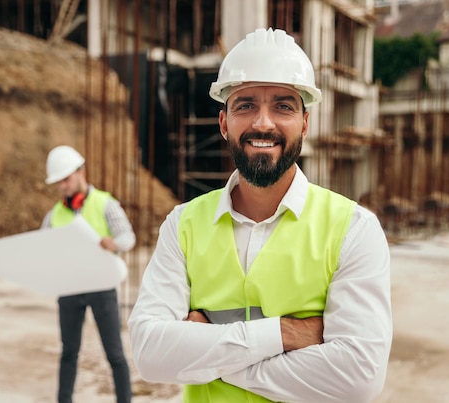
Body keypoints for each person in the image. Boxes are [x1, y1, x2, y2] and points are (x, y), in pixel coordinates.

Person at [128, 28, 392, 402]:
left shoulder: (353, 229)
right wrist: (284, 334)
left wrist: (208, 355)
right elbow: (150, 355)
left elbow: (358, 378)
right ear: (224, 123)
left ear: (304, 123)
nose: (263, 123)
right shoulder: (182, 224)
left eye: (283, 106)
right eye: (245, 105)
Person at [41, 145, 135, 403]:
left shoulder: (105, 203)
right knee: (68, 353)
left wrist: (114, 243)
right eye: (58, 182)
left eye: (66, 179)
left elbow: (128, 236)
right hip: (70, 289)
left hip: (102, 287)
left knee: (115, 355)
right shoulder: (54, 215)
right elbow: (40, 250)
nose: (62, 186)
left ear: (81, 172)